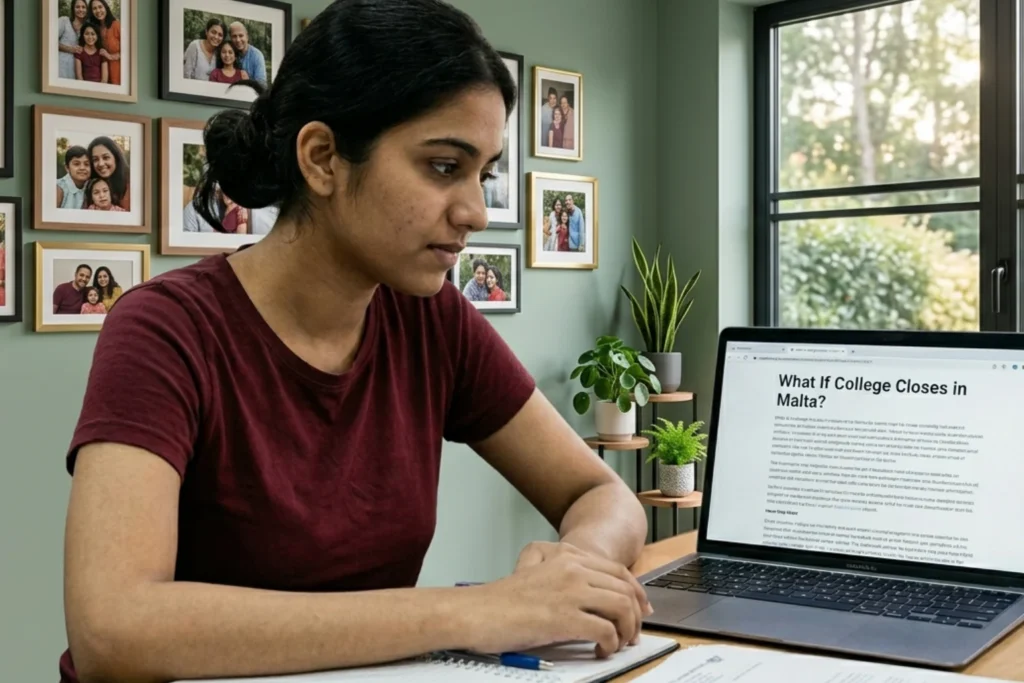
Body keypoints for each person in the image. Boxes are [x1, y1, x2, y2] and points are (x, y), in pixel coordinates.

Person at [58, 1, 650, 682]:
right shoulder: (165, 329)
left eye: (482, 172)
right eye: (442, 166)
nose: (476, 212)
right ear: (322, 159)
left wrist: (575, 562)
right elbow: (113, 627)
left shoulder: (432, 320)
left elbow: (604, 496)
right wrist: (472, 613)